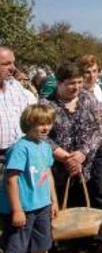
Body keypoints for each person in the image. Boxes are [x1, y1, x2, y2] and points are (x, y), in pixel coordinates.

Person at [45, 62, 102, 252]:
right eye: (72, 83)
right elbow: (42, 136)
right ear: (60, 83)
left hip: (88, 162)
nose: (77, 87)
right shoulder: (46, 104)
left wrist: (82, 153)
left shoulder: (88, 99)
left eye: (80, 82)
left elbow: (98, 129)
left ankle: (96, 240)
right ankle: (66, 241)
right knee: (67, 203)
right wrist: (65, 157)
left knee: (94, 199)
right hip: (59, 164)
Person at [0, 104, 58, 253]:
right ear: (28, 124)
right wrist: (17, 210)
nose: (46, 128)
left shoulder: (45, 146)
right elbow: (11, 180)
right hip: (23, 208)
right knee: (17, 247)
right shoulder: (20, 148)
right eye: (40, 124)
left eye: (48, 123)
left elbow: (48, 174)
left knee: (42, 246)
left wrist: (53, 201)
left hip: (42, 206)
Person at [0, 47, 38, 159]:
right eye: (6, 64)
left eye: (13, 63)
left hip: (19, 157)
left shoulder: (15, 87)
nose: (13, 68)